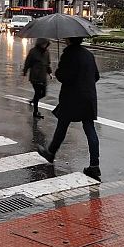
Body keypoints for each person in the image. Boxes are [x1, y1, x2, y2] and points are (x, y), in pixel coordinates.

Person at [37, 37, 101, 181]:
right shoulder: (88, 54)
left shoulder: (68, 54)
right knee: (90, 128)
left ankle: (51, 153)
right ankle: (94, 165)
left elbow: (63, 76)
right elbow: (96, 76)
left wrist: (59, 71)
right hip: (88, 97)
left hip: (71, 97)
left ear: (70, 40)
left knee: (62, 125)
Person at [23, 38, 52, 119]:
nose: (45, 45)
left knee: (43, 93)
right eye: (43, 44)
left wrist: (50, 73)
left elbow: (48, 64)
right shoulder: (33, 51)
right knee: (38, 93)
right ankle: (35, 111)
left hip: (43, 76)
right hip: (35, 76)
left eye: (46, 44)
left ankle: (34, 100)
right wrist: (25, 72)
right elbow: (27, 62)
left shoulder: (46, 52)